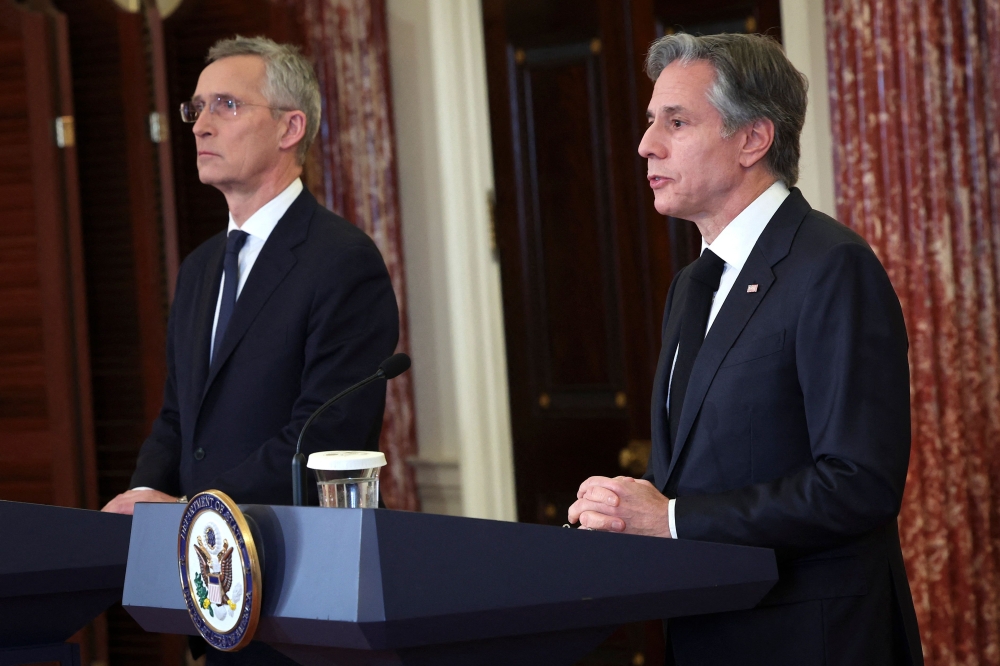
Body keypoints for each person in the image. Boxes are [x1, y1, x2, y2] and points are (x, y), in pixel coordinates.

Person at [568, 33, 922, 666]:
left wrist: (673, 519)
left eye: (676, 122)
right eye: (651, 122)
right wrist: (628, 508)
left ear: (752, 140)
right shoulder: (692, 284)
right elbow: (716, 466)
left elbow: (858, 483)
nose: (647, 144)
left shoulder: (831, 266)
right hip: (709, 631)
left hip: (811, 640)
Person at [102, 36, 398, 663]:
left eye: (227, 105)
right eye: (197, 108)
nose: (202, 124)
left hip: (293, 592)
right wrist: (143, 506)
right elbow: (179, 419)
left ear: (291, 127)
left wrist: (191, 510)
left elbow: (322, 437)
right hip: (209, 589)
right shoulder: (200, 267)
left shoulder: (342, 262)